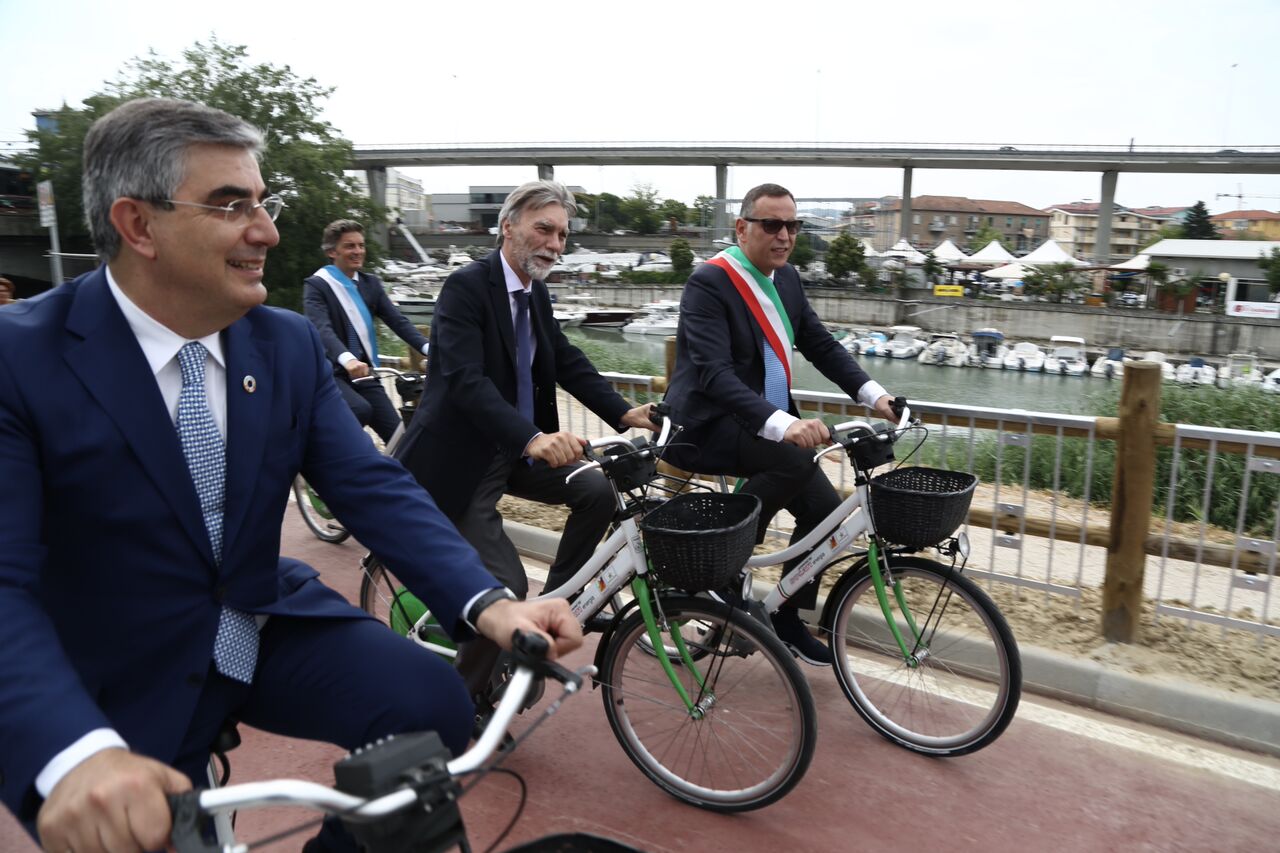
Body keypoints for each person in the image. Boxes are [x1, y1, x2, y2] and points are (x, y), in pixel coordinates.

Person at [0, 98, 581, 853]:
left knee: (429, 698)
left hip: (254, 623)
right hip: (109, 672)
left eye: (262, 202)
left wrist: (488, 603)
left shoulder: (285, 343)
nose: (267, 231)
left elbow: (370, 486)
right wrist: (75, 754)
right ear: (137, 224)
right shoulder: (20, 359)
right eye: (230, 205)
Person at [395, 180, 652, 692]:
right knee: (504, 586)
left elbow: (567, 363)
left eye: (562, 234)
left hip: (512, 451)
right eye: (544, 229)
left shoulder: (536, 295)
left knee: (596, 490)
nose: (555, 244)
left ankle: (548, 612)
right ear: (507, 226)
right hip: (462, 461)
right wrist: (534, 436)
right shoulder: (466, 288)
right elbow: (466, 382)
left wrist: (625, 413)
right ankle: (462, 701)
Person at [662, 183, 898, 666]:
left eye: (793, 225)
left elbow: (820, 344)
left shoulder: (786, 279)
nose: (784, 235)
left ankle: (786, 616)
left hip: (761, 425)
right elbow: (713, 373)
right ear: (742, 228)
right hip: (708, 424)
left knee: (825, 515)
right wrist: (781, 423)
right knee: (793, 458)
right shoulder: (709, 282)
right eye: (772, 225)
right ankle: (721, 566)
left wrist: (877, 397)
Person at [303, 220, 431, 443]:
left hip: (365, 373)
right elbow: (321, 329)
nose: (358, 251)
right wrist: (348, 359)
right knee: (360, 410)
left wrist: (430, 348)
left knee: (401, 439)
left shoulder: (370, 283)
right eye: (350, 246)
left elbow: (398, 321)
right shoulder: (317, 286)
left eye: (361, 245)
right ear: (332, 252)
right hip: (332, 372)